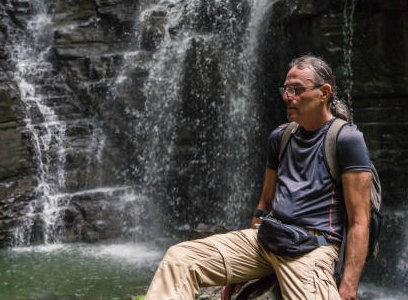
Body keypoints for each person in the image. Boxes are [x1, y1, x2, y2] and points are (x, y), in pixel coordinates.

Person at [144, 55, 372, 300]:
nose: (288, 97)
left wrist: (348, 287)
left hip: (311, 249)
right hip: (266, 239)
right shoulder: (281, 137)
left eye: (296, 89)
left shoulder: (346, 139)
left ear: (324, 92)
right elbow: (265, 205)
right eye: (286, 89)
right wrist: (238, 274)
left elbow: (360, 220)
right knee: (180, 259)